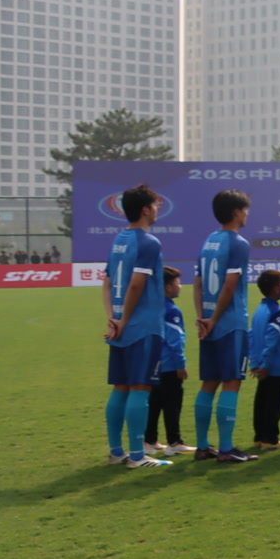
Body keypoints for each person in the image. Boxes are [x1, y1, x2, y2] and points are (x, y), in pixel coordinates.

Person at [102, 182, 169, 467]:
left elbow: (107, 283)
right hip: (143, 327)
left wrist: (113, 319)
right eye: (154, 205)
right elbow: (136, 284)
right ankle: (138, 456)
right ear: (145, 210)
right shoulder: (148, 242)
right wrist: (125, 320)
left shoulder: (119, 240)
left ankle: (117, 452)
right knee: (140, 388)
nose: (156, 210)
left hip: (120, 327)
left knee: (120, 388)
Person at [193, 188, 252, 462]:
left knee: (209, 383)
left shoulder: (208, 241)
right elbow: (229, 285)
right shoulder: (238, 243)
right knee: (231, 381)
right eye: (245, 209)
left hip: (208, 322)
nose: (247, 214)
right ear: (237, 212)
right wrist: (215, 318)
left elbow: (197, 282)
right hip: (230, 322)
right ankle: (226, 448)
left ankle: (202, 446)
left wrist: (202, 317)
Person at [145, 265, 191, 454]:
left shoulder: (151, 306)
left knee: (154, 404)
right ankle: (174, 443)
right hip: (169, 365)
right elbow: (175, 340)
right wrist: (180, 364)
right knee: (172, 404)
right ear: (168, 287)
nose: (180, 286)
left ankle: (149, 441)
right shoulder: (171, 311)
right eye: (178, 283)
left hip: (152, 364)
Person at [248, 271, 280, 450]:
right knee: (274, 402)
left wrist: (254, 362)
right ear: (275, 289)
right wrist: (266, 364)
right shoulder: (277, 312)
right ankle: (270, 439)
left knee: (262, 400)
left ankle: (259, 437)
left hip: (261, 363)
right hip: (274, 365)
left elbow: (251, 336)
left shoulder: (259, 310)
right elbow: (272, 339)